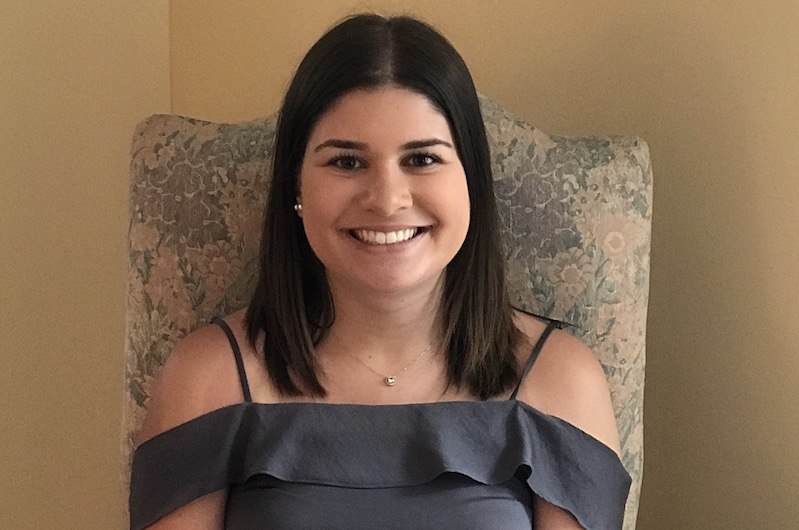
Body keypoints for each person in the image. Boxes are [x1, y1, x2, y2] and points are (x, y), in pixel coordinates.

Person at [130, 13, 631, 530]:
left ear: (472, 184)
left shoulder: (559, 380)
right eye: (347, 163)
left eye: (422, 160)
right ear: (296, 190)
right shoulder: (208, 377)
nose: (387, 200)